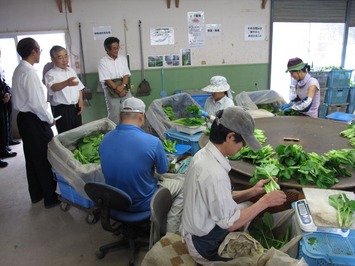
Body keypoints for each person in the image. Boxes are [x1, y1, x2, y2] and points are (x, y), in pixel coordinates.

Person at [181, 106, 287, 264]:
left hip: (197, 228)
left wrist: (253, 191)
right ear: (230, 137)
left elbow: (219, 199)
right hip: (203, 244)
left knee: (248, 204)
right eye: (242, 142)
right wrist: (266, 201)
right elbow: (230, 224)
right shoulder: (214, 173)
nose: (242, 147)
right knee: (256, 258)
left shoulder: (203, 155)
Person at [99, 97, 183, 233]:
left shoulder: (106, 138)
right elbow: (162, 170)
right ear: (142, 117)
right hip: (141, 204)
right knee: (182, 184)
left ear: (120, 116)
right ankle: (169, 231)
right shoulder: (153, 142)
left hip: (114, 201)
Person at [12, 37, 59, 208]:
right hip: (34, 119)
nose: (40, 53)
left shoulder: (19, 69)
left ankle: (37, 194)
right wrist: (49, 119)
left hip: (24, 119)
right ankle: (50, 197)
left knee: (32, 158)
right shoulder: (30, 73)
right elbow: (36, 103)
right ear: (33, 51)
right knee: (43, 158)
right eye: (39, 49)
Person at [45, 46, 84, 133]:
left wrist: (80, 101)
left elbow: (79, 87)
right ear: (53, 59)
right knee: (66, 136)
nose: (64, 60)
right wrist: (66, 83)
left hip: (75, 108)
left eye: (66, 56)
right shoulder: (50, 74)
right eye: (60, 57)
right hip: (62, 109)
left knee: (78, 133)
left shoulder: (71, 71)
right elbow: (53, 87)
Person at [98, 36, 131, 124]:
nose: (116, 50)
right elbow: (107, 79)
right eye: (114, 48)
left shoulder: (122, 59)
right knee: (114, 113)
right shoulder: (103, 61)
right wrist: (118, 89)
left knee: (129, 109)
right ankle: (114, 132)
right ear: (107, 49)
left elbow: (126, 74)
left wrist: (123, 87)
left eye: (117, 48)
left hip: (123, 86)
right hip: (111, 88)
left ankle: (128, 130)